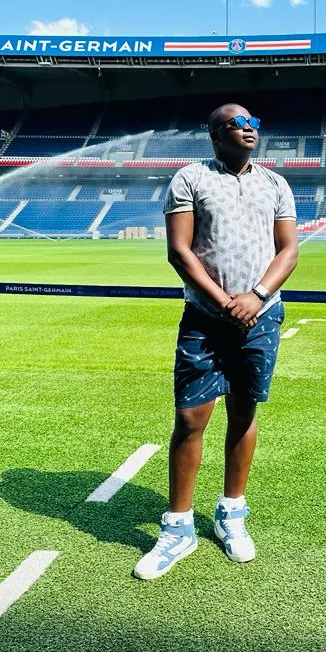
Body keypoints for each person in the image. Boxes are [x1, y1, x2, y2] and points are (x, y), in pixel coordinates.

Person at [133, 102, 298, 580]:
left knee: (243, 411)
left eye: (254, 123)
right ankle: (178, 528)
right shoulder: (190, 178)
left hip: (262, 316)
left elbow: (289, 250)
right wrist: (226, 301)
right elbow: (179, 252)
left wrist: (258, 295)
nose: (249, 129)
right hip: (206, 317)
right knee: (190, 418)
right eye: (238, 124)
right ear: (215, 134)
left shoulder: (275, 184)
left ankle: (231, 513)